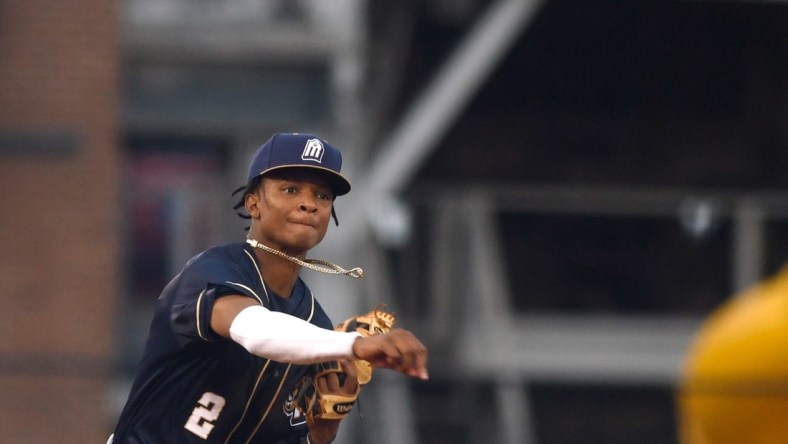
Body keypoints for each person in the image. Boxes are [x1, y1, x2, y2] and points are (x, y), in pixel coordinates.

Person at [110, 132, 429, 444]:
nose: (309, 204)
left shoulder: (313, 324)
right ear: (253, 204)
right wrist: (353, 344)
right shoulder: (212, 271)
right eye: (290, 190)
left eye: (322, 196)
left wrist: (320, 435)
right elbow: (254, 330)